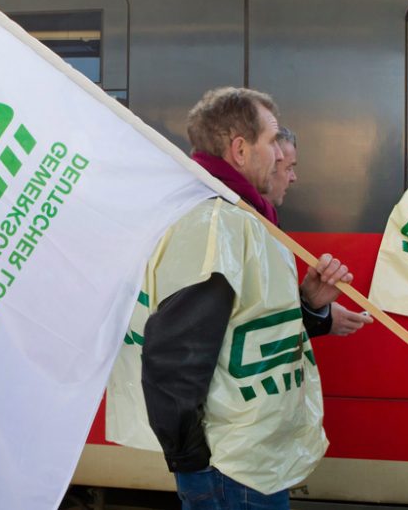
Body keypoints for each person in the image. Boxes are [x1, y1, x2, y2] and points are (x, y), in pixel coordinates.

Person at [140, 87, 352, 509]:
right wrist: (194, 463)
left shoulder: (245, 218)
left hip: (252, 462)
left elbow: (249, 325)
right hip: (230, 469)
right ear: (240, 149)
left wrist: (310, 305)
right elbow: (172, 357)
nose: (280, 154)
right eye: (272, 141)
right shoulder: (215, 224)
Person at [268, 127, 373, 338]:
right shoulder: (227, 227)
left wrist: (310, 305)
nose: (294, 177)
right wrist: (321, 317)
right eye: (288, 167)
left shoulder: (267, 222)